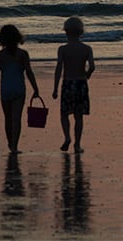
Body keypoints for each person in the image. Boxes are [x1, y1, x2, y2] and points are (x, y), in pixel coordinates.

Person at [0, 24, 40, 154]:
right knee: (16, 119)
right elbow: (29, 72)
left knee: (8, 119)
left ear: (2, 39)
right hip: (19, 89)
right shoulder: (23, 54)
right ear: (17, 37)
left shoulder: (0, 55)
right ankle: (14, 146)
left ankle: (10, 143)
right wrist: (36, 89)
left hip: (5, 90)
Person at [52, 17, 95, 154]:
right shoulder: (87, 48)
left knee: (64, 114)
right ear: (81, 32)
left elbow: (59, 69)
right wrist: (87, 75)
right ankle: (77, 144)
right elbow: (92, 66)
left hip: (68, 83)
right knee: (79, 115)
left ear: (66, 32)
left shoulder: (63, 49)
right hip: (81, 83)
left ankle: (67, 137)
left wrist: (55, 88)